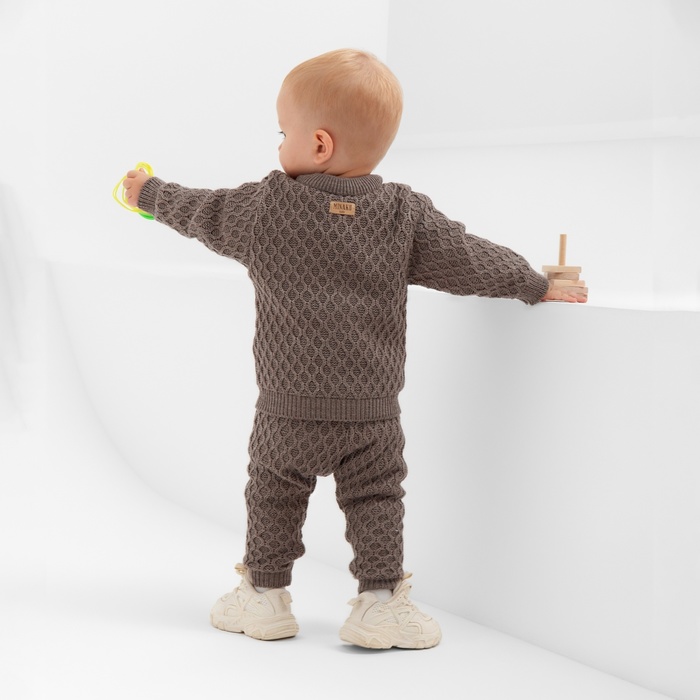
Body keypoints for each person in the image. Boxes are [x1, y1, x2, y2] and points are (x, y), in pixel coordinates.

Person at [122, 48, 585, 651]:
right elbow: (469, 258)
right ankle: (381, 603)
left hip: (286, 409)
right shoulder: (403, 216)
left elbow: (199, 210)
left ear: (318, 144)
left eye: (283, 133)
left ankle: (263, 596)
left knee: (273, 492)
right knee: (377, 500)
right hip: (371, 415)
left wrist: (148, 192)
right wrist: (534, 283)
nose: (279, 144)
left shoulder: (264, 208)